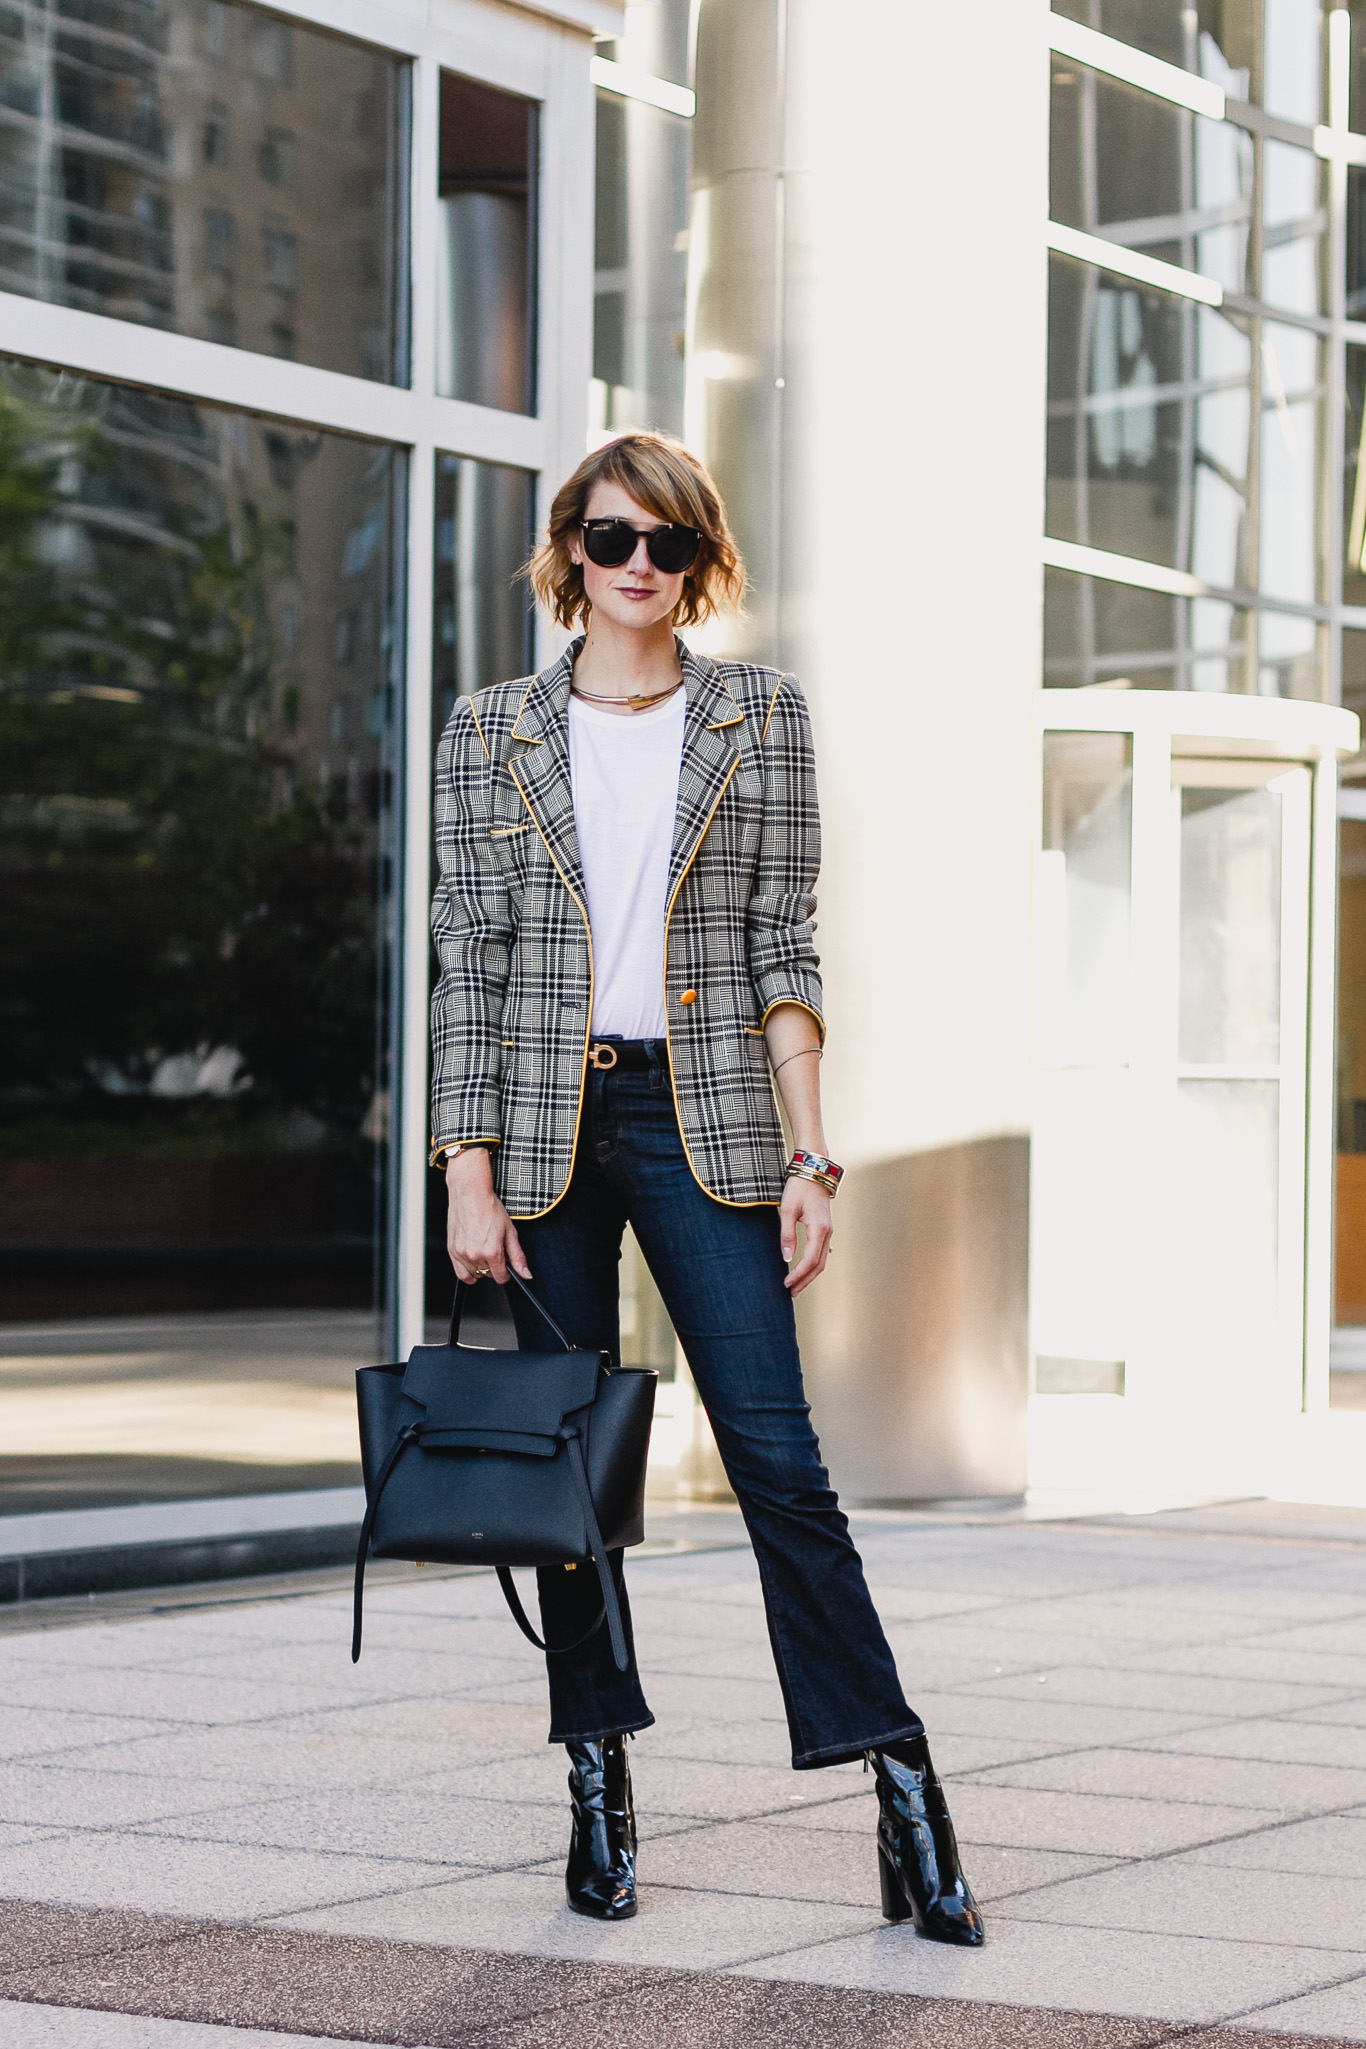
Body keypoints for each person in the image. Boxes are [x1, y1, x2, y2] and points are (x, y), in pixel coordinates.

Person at [429, 431, 982, 1945]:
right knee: (571, 1478)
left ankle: (900, 1780)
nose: (639, 572)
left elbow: (779, 944)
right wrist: (463, 1170)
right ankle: (597, 1781)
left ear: (701, 560)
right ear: (568, 554)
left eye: (669, 546)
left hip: (707, 1120)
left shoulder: (758, 716)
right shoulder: (490, 729)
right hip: (544, 1133)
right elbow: (465, 963)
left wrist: (811, 1153)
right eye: (612, 541)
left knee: (776, 1461)